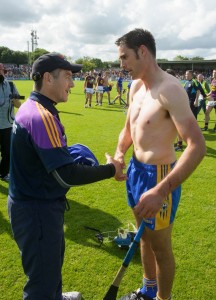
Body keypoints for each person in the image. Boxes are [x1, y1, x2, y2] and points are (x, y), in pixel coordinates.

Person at [7, 53, 126, 300]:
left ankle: (56, 296)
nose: (73, 84)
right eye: (69, 77)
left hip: (33, 204)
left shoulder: (32, 107)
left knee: (49, 266)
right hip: (36, 210)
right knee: (41, 282)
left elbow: (41, 159)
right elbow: (66, 175)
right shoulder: (42, 116)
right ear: (49, 78)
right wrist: (111, 169)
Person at [113, 29, 206, 300]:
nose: (122, 65)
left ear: (143, 51)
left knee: (161, 248)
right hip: (135, 171)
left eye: (124, 57)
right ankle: (147, 290)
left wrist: (161, 190)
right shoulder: (135, 86)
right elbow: (128, 129)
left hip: (159, 176)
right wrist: (120, 154)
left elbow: (196, 146)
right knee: (144, 238)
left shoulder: (170, 89)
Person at [0, 63, 22, 182]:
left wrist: (14, 100)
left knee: (7, 152)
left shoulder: (11, 85)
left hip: (7, 124)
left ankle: (4, 173)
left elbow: (19, 105)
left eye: (0, 69)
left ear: (4, 71)